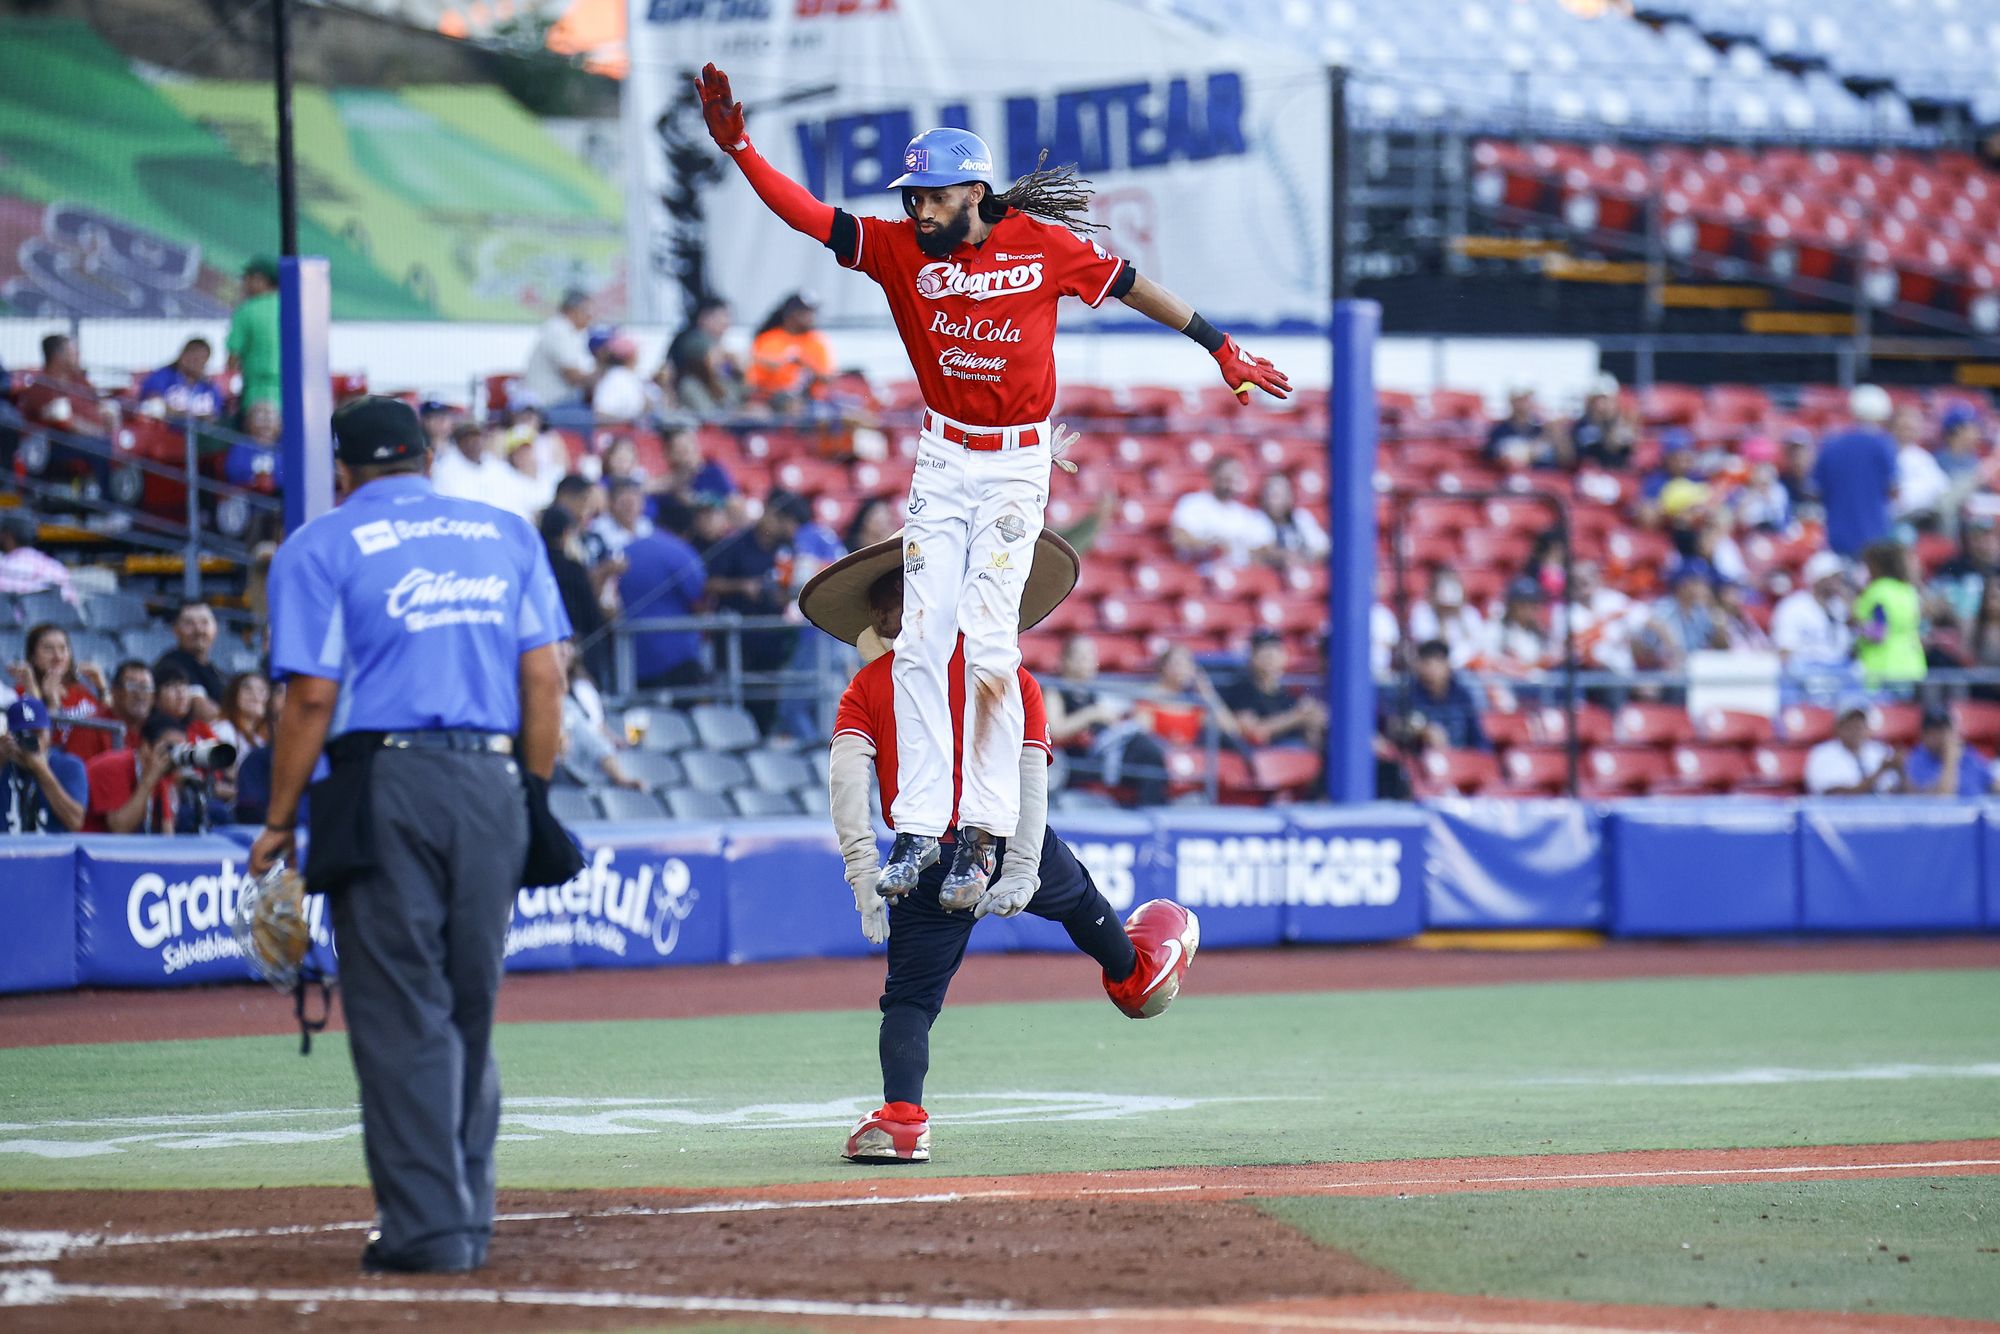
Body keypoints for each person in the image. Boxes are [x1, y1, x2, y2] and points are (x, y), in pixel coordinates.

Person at [695, 62, 1288, 905]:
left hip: (1014, 463)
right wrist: (743, 149)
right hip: (943, 460)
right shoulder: (898, 248)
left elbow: (1129, 285)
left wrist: (1218, 344)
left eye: (932, 196)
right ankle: (920, 828)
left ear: (972, 191)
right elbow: (810, 217)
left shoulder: (1043, 245)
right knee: (920, 642)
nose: (917, 209)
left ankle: (982, 833)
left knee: (989, 645)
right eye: (912, 196)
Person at [248, 395, 569, 1275]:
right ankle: (467, 1213)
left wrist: (279, 820)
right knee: (470, 1006)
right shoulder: (505, 532)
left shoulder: (318, 544)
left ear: (343, 470)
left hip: (383, 779)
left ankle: (429, 1230)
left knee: (400, 1011)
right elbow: (546, 681)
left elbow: (310, 696)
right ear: (426, 459)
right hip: (494, 782)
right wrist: (531, 796)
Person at [799, 528, 1195, 1164]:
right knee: (1076, 898)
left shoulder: (869, 685)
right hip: (1001, 832)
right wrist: (1021, 866)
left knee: (909, 1000)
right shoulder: (1008, 674)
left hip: (918, 856)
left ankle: (903, 1119)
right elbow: (1031, 781)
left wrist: (862, 873)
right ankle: (1133, 974)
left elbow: (846, 783)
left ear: (880, 614)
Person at [703, 489, 809, 709]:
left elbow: (785, 589)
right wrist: (742, 586)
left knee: (766, 702)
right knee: (734, 700)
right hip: (737, 638)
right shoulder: (736, 544)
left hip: (770, 639)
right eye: (785, 521)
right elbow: (710, 583)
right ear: (770, 513)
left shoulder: (786, 548)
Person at [617, 521, 708, 690]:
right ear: (686, 532)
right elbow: (700, 598)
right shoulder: (680, 552)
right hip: (679, 654)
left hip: (633, 656)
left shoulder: (626, 550)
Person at [1813, 385, 1899, 558]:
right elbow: (1893, 490)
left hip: (1836, 537)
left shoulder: (1831, 445)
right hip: (1875, 537)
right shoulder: (1884, 445)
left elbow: (1815, 491)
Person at [15, 622, 112, 761]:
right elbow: (36, 745)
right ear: (32, 657)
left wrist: (102, 689)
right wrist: (51, 704)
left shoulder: (79, 689)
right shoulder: (22, 693)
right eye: (48, 649)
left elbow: (110, 722)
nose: (58, 657)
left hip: (97, 761)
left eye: (63, 648)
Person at [557, 640, 645, 790]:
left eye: (568, 646)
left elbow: (598, 725)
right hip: (568, 757)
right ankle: (619, 777)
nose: (565, 651)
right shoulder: (554, 698)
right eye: (559, 646)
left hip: (595, 753)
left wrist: (616, 740)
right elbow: (581, 733)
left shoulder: (584, 687)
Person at [1220, 630, 1327, 749]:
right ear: (1252, 657)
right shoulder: (1240, 690)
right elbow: (1254, 732)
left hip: (1294, 758)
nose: (1270, 657)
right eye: (1264, 650)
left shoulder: (1289, 694)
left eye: (1276, 650)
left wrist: (1312, 722)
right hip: (1261, 759)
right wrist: (1297, 717)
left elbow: (1312, 741)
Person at [1170, 456, 1278, 571]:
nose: (1229, 480)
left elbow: (1264, 548)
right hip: (1199, 572)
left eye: (1234, 475)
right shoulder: (1194, 503)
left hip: (1237, 576)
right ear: (1213, 476)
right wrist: (1210, 545)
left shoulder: (1244, 515)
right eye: (1225, 476)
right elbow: (1178, 537)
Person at [84, 712, 184, 834]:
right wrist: (149, 781)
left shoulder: (161, 775)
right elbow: (119, 828)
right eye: (170, 748)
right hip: (86, 846)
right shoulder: (113, 766)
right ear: (146, 747)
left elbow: (167, 833)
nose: (174, 755)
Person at [0, 697, 87, 834]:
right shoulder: (4, 762)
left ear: (49, 733)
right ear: (10, 736)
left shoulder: (68, 766)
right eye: (23, 734)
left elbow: (75, 821)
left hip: (52, 852)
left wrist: (42, 771)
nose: (32, 740)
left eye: (37, 733)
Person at [1852, 541, 1926, 688]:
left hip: (1884, 670)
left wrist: (1856, 628)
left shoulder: (1878, 591)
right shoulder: (1907, 591)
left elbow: (1879, 633)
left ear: (1876, 565)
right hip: (1913, 666)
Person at [431, 421, 538, 521]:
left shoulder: (495, 465)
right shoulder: (446, 469)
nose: (474, 443)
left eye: (477, 438)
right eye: (468, 439)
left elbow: (518, 497)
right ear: (459, 443)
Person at [1396, 639, 1489, 752]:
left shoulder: (1462, 696)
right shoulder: (1408, 694)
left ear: (1447, 665)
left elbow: (1478, 738)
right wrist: (1423, 731)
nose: (1432, 671)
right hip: (1423, 761)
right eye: (1427, 664)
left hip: (1459, 760)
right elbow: (1396, 728)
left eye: (1437, 663)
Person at [745, 292, 833, 411]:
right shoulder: (768, 339)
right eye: (806, 312)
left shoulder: (817, 341)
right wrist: (776, 363)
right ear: (792, 314)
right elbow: (752, 376)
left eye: (813, 312)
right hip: (770, 399)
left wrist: (805, 364)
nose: (811, 317)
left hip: (809, 401)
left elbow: (828, 378)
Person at [1771, 551, 1853, 667]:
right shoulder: (1794, 606)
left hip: (1838, 671)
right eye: (1834, 577)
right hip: (1807, 672)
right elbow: (1785, 648)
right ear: (1819, 578)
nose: (1839, 582)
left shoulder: (1840, 607)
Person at [665, 295, 744, 413]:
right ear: (705, 318)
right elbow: (712, 360)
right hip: (696, 398)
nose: (727, 322)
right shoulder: (694, 338)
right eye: (723, 316)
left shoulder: (715, 342)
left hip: (719, 401)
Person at [226, 257, 283, 421]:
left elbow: (233, 358)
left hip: (258, 389)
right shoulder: (293, 306)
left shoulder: (247, 310)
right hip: (293, 390)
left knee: (258, 440)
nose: (244, 283)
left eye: (247, 278)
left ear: (260, 280)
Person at [522, 289, 598, 408]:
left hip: (562, 401)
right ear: (573, 310)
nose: (591, 316)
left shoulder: (571, 332)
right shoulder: (558, 330)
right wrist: (604, 375)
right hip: (549, 405)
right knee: (598, 419)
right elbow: (573, 376)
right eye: (587, 310)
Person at [1804, 702, 1900, 796]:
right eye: (1850, 724)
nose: (1856, 729)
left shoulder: (1880, 751)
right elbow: (1837, 794)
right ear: (1838, 727)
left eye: (1861, 724)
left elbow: (1898, 792)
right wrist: (1880, 771)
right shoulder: (1822, 754)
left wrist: (1901, 770)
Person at [153, 601, 226, 716]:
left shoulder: (217, 672)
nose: (198, 630)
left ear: (216, 628)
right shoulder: (171, 665)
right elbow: (204, 712)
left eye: (204, 622)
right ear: (175, 629)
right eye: (189, 623)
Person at [1407, 567, 1488, 668]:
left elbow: (1478, 645)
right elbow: (1429, 648)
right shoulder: (1422, 612)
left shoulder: (1469, 613)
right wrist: (1442, 616)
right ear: (1433, 590)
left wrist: (1459, 617)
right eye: (1444, 587)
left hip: (1469, 668)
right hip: (1437, 670)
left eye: (1453, 586)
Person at [1903, 707, 1991, 797]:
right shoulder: (1917, 759)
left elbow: (1993, 784)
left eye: (1944, 730)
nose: (1941, 736)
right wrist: (1950, 761)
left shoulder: (1967, 755)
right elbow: (1943, 797)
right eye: (1933, 732)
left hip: (1977, 808)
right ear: (1923, 735)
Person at [1890, 405, 1950, 530]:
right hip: (1889, 518)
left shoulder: (1923, 457)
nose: (1907, 432)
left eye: (1912, 428)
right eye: (1904, 427)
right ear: (1893, 427)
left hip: (1919, 518)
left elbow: (1943, 489)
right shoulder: (1883, 453)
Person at [137, 338, 225, 421]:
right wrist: (187, 417)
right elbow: (154, 405)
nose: (195, 363)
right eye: (192, 357)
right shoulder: (163, 376)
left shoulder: (209, 388)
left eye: (200, 360)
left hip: (199, 436)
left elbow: (215, 417)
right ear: (182, 356)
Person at [0, 511, 77, 604]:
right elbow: (71, 605)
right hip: (54, 616)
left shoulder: (3, 566)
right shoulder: (56, 567)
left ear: (7, 536)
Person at [1254, 473, 1329, 566]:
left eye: (1279, 495)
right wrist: (1286, 556)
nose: (1273, 500)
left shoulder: (1301, 517)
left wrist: (1304, 557)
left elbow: (1322, 547)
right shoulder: (1256, 519)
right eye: (1270, 494)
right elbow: (1262, 550)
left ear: (1290, 496)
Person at [1484, 387, 1568, 471]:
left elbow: (1566, 460)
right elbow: (1504, 461)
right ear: (1512, 402)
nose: (1523, 404)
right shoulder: (1499, 431)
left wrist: (1556, 432)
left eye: (1526, 400)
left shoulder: (1541, 430)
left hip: (1548, 477)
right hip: (1520, 479)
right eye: (1520, 400)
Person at [1569, 373, 1634, 471]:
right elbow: (1572, 457)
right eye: (1597, 400)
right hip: (1586, 474)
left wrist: (1608, 422)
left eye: (1605, 399)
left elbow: (1616, 446)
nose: (1600, 404)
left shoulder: (1623, 421)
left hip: (1615, 473)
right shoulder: (1581, 425)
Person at [587, 477, 655, 566]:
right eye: (625, 502)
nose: (630, 508)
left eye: (635, 502)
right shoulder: (598, 529)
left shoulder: (646, 525)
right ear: (611, 503)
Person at [590, 331, 653, 424]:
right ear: (630, 357)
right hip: (617, 434)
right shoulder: (615, 378)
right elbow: (600, 414)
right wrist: (628, 422)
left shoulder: (630, 377)